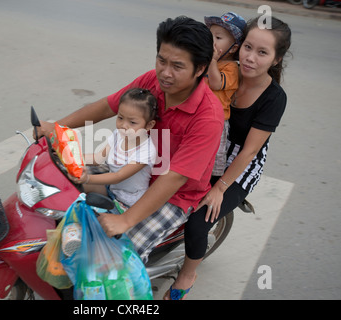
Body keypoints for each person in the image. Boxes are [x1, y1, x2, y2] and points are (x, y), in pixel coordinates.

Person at [34, 16, 224, 263]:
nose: (165, 73)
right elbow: (107, 106)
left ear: (200, 69)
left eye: (177, 66)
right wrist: (57, 127)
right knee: (60, 176)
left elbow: (174, 177)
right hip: (130, 165)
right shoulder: (151, 82)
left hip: (173, 194)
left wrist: (126, 220)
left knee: (115, 257)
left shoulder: (208, 116)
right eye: (161, 60)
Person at [164, 16, 291, 300]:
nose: (250, 58)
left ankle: (187, 273)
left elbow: (249, 151)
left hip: (239, 164)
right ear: (238, 46)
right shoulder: (224, 71)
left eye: (262, 53)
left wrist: (220, 188)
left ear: (276, 59)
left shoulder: (274, 98)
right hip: (208, 146)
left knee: (199, 220)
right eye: (247, 47)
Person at [69, 88, 157, 208]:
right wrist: (71, 157)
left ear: (148, 125)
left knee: (91, 216)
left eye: (132, 122)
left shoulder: (146, 151)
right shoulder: (118, 134)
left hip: (128, 202)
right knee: (71, 186)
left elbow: (118, 176)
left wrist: (87, 178)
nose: (124, 126)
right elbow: (98, 158)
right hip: (111, 189)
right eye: (120, 118)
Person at [204, 12, 246, 178]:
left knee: (214, 156)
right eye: (210, 36)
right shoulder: (205, 61)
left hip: (217, 120)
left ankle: (212, 182)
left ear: (233, 48)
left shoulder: (231, 67)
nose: (211, 41)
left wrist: (213, 61)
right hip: (199, 115)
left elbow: (216, 83)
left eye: (218, 38)